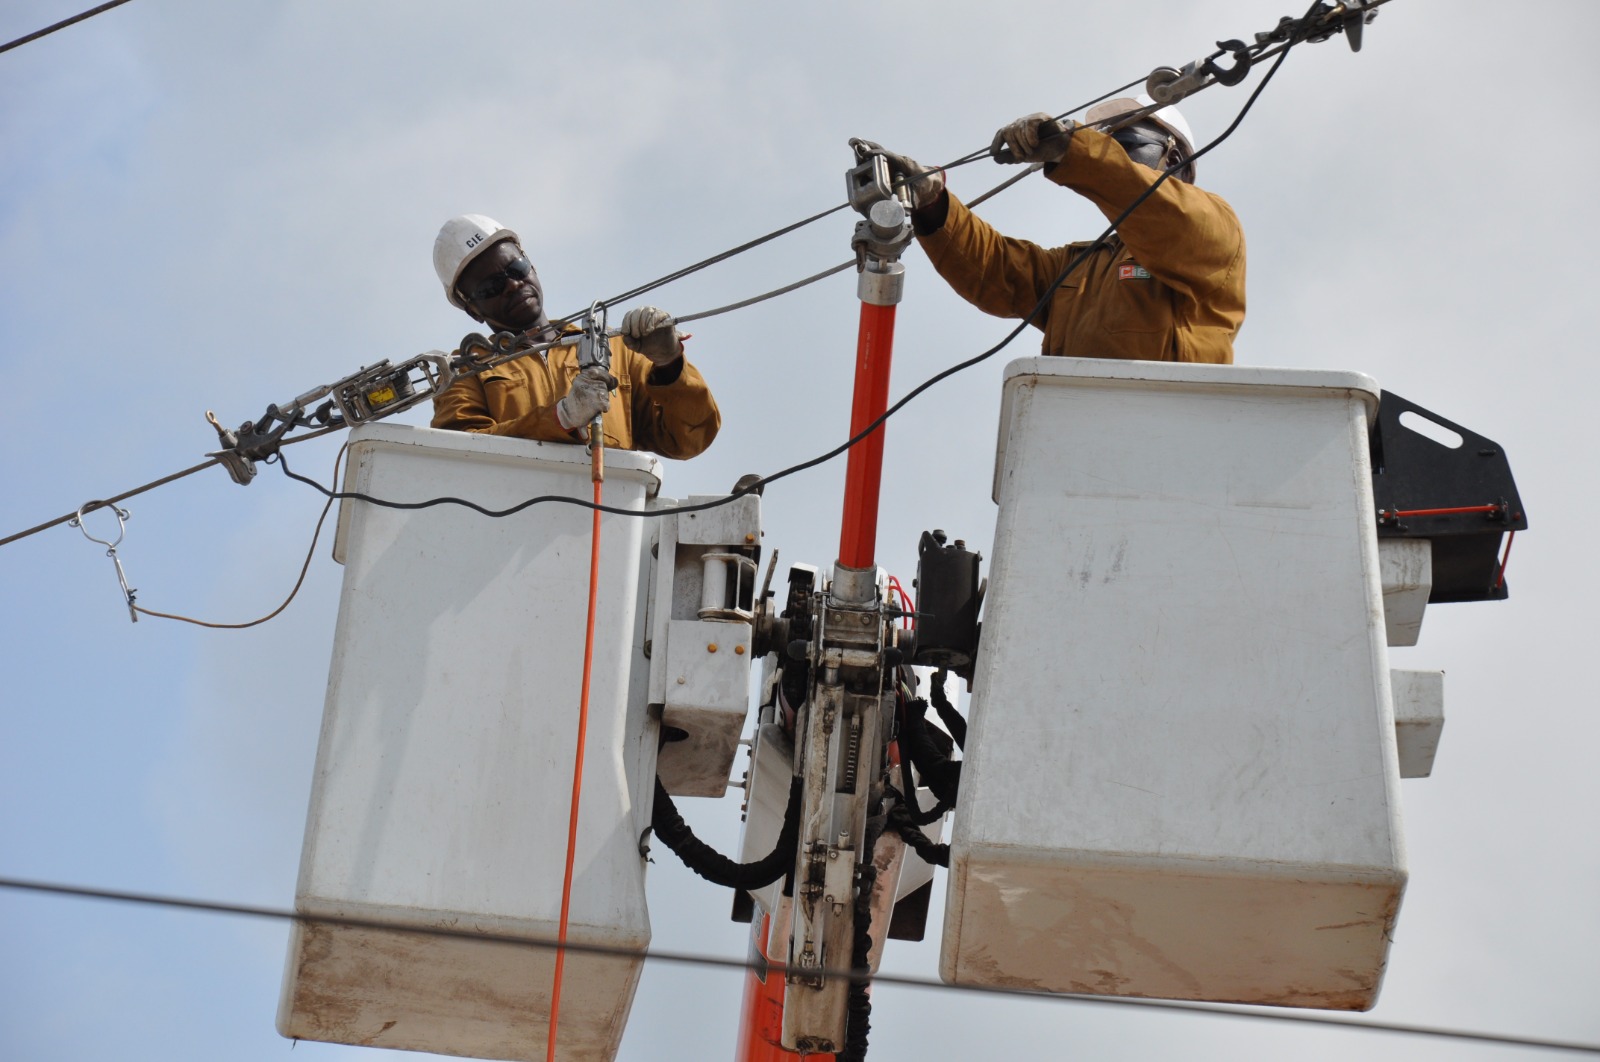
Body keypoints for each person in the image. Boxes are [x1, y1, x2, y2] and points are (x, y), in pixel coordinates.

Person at [874, 95, 1244, 364]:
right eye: (1105, 143)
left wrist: (1073, 148)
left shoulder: (1213, 227)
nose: (1108, 151)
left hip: (1172, 431)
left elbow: (1164, 212)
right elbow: (997, 270)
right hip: (1075, 435)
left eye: (1123, 143)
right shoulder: (1079, 268)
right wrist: (932, 201)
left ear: (1174, 158)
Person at [429, 214, 721, 459]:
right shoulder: (463, 370)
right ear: (473, 310)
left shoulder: (611, 348)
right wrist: (562, 418)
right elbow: (461, 454)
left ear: (532, 265)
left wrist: (669, 364)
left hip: (609, 517)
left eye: (516, 268)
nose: (513, 285)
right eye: (491, 287)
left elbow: (689, 438)